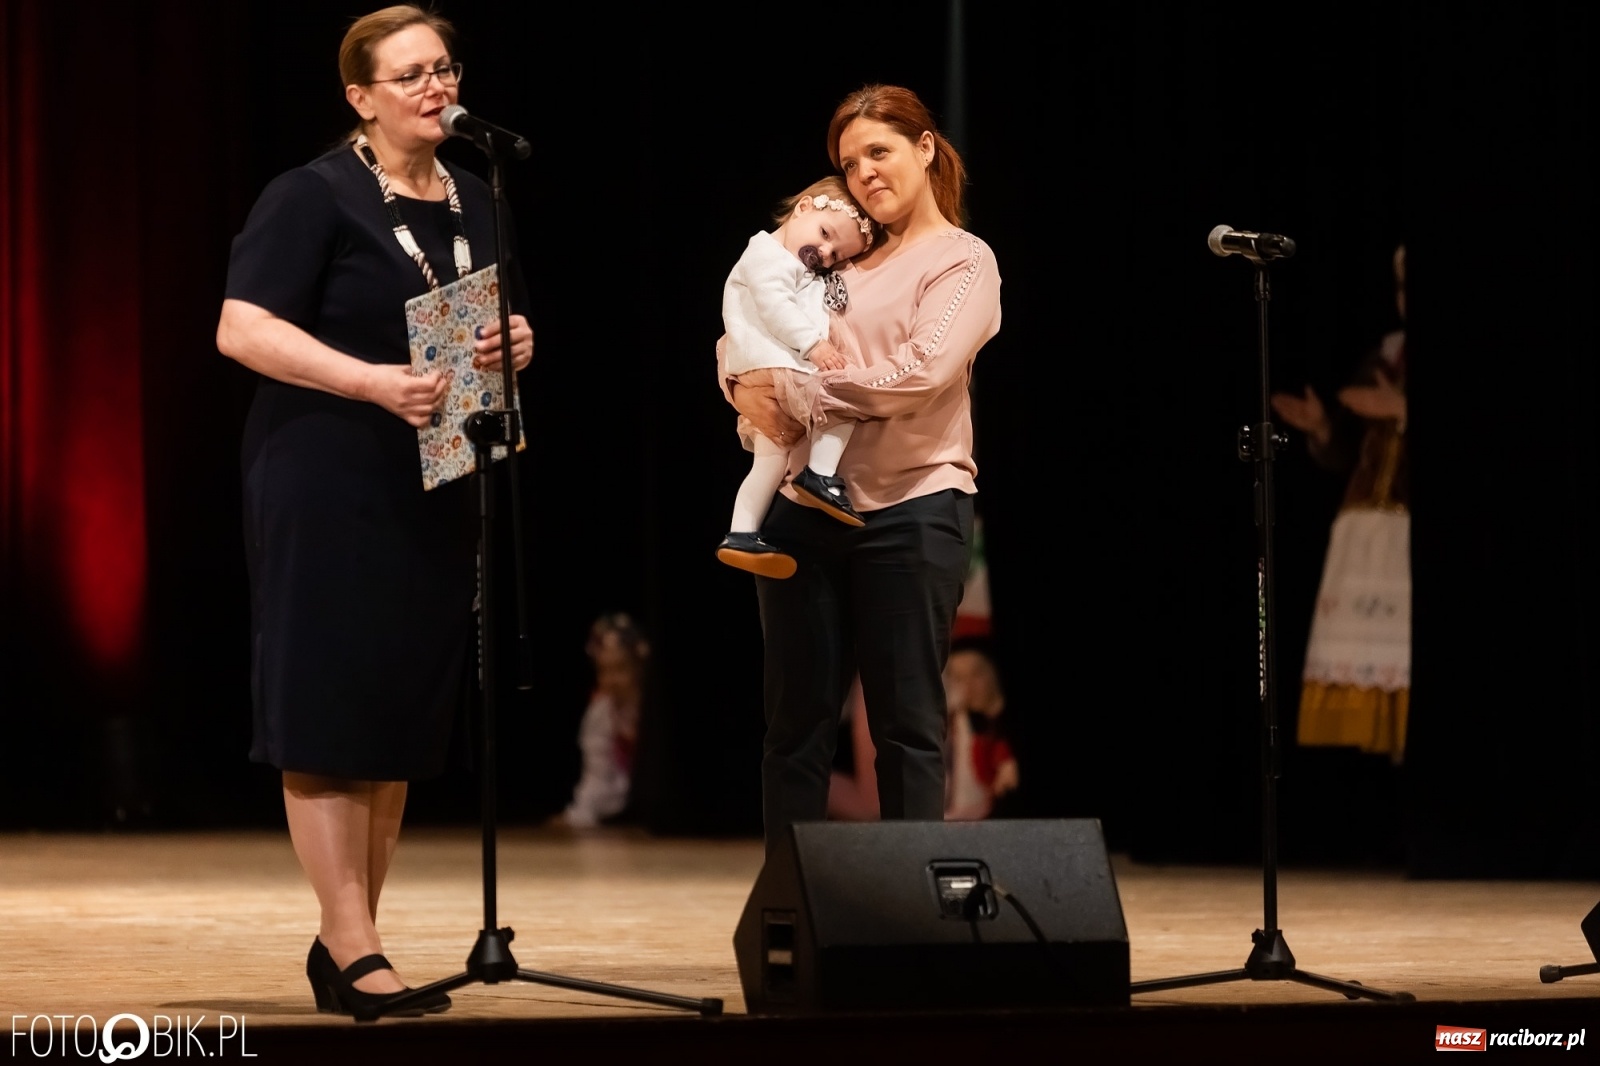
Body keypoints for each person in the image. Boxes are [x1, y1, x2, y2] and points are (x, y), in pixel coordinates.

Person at [215, 5, 532, 1018]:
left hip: (434, 474)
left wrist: (512, 342)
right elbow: (241, 328)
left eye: (445, 68)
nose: (437, 87)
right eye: (411, 75)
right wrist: (369, 382)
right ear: (361, 97)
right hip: (326, 475)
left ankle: (345, 943)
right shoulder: (312, 194)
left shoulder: (476, 195)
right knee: (329, 705)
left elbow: (479, 318)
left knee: (394, 710)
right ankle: (354, 946)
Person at [721, 84, 1001, 847]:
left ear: (925, 148)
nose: (864, 172)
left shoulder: (962, 260)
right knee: (795, 727)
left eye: (879, 151)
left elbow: (923, 371)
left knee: (907, 723)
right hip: (804, 509)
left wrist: (803, 392)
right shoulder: (836, 248)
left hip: (913, 505)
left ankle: (911, 900)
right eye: (849, 163)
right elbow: (743, 322)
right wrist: (740, 384)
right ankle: (794, 897)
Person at [1272, 245, 1409, 761]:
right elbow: (1347, 454)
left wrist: (1401, 409)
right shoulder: (1382, 358)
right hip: (1364, 534)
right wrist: (1323, 428)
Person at [717, 178, 877, 578]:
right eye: (825, 234)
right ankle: (820, 474)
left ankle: (741, 533)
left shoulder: (796, 266)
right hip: (775, 366)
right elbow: (776, 306)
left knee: (770, 461)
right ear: (804, 207)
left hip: (763, 369)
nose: (824, 252)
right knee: (841, 400)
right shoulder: (767, 254)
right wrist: (815, 346)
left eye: (835, 254)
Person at [559, 613, 651, 829]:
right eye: (604, 670)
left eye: (621, 668)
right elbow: (596, 777)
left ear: (638, 667)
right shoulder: (600, 713)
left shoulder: (653, 713)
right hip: (618, 816)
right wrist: (579, 815)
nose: (611, 680)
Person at [942, 640, 1019, 820]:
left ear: (993, 672)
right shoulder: (971, 723)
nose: (968, 687)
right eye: (959, 679)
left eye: (976, 675)